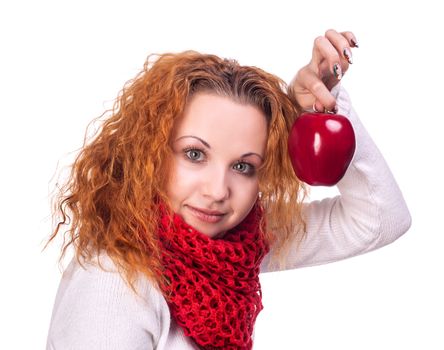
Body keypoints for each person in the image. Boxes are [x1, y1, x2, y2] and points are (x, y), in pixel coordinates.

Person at [45, 29, 411, 350]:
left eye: (243, 166)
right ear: (150, 151)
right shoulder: (114, 282)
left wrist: (323, 112)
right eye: (194, 154)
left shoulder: (235, 247)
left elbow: (380, 219)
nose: (219, 191)